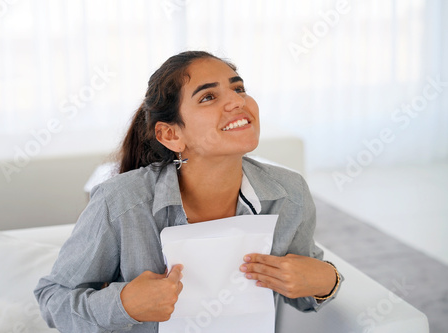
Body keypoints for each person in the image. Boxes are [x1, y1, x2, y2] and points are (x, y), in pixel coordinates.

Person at [34, 50, 342, 332]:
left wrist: (327, 280)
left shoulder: (289, 192)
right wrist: (125, 304)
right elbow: (53, 299)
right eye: (208, 97)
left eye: (238, 88)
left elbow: (303, 293)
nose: (237, 101)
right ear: (171, 134)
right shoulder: (120, 201)